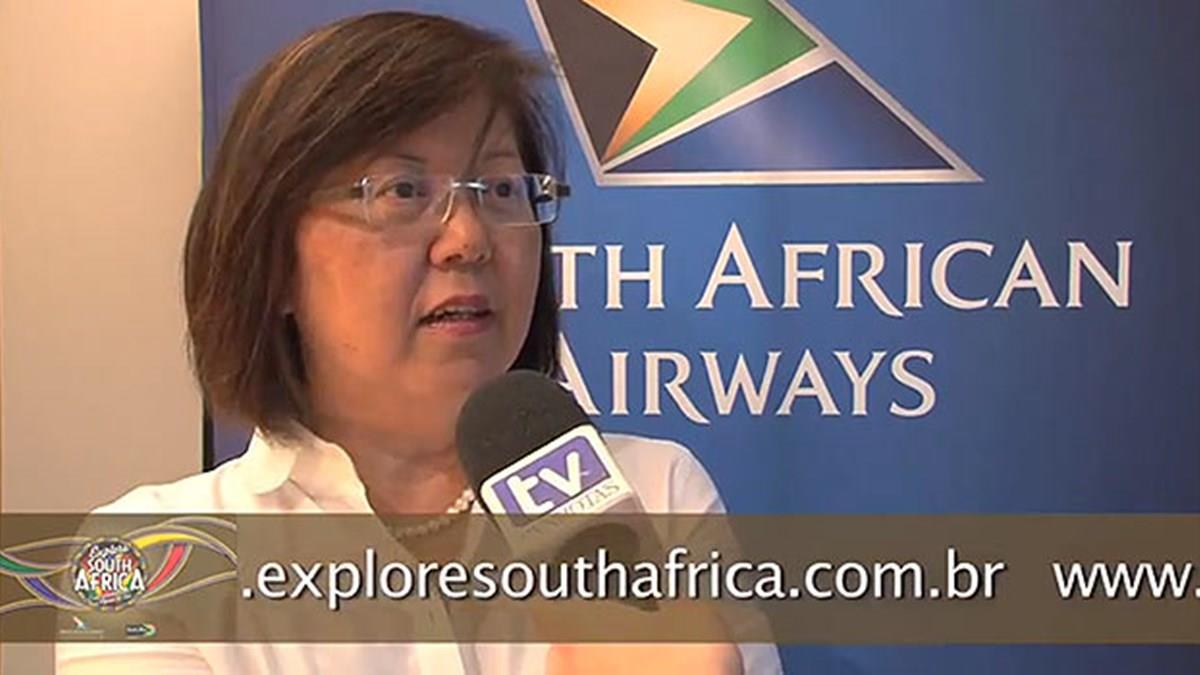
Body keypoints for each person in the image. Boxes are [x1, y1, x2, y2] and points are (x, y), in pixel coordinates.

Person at [56, 11, 781, 674]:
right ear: (272, 263)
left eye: (502, 190)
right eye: (401, 191)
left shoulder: (655, 492)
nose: (468, 238)